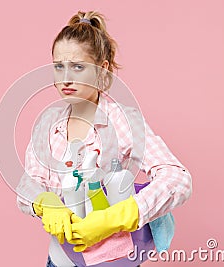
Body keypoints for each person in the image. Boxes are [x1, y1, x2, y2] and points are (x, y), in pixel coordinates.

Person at [16, 11, 192, 267]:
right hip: (59, 261)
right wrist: (45, 202)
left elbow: (178, 178)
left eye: (78, 67)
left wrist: (120, 216)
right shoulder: (47, 126)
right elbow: (28, 185)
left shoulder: (122, 121)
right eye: (58, 66)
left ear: (102, 69)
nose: (65, 78)